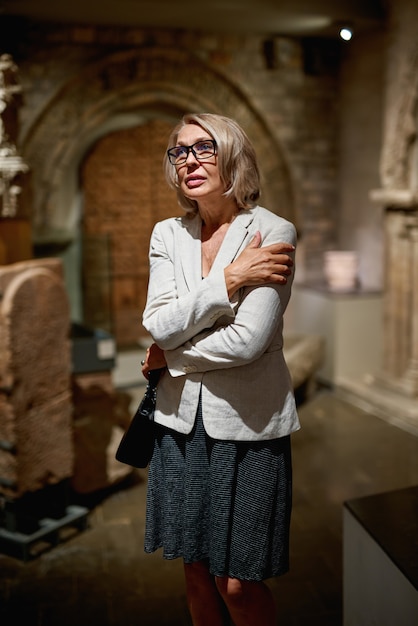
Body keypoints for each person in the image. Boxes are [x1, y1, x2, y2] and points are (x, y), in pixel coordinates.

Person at [140, 112, 300, 626]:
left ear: (232, 153)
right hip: (180, 426)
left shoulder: (273, 230)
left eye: (203, 147)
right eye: (179, 151)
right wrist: (231, 277)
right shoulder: (169, 233)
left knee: (238, 584)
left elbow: (247, 342)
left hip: (248, 428)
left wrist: (172, 357)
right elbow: (159, 323)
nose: (189, 159)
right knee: (196, 571)